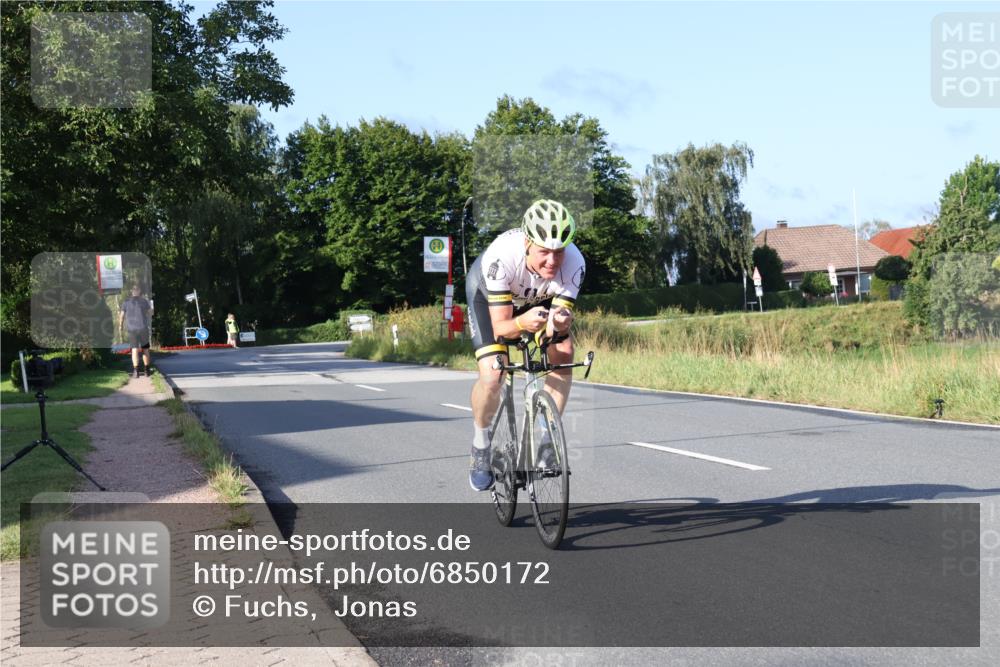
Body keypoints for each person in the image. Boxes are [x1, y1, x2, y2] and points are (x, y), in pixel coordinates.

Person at [464, 199, 585, 491]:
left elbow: (559, 319)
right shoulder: (502, 258)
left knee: (564, 352)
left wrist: (557, 324)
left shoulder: (575, 263)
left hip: (537, 299)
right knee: (494, 373)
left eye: (559, 252)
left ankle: (545, 439)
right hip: (489, 296)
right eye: (544, 252)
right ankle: (480, 448)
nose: (552, 261)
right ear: (528, 242)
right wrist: (522, 324)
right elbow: (502, 327)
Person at [119, 283, 154, 378]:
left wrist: (120, 327)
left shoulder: (126, 302)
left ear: (132, 291)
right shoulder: (144, 301)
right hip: (143, 329)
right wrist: (151, 307)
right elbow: (150, 314)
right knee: (145, 349)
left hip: (132, 330)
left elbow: (122, 316)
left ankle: (136, 371)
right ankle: (147, 371)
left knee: (134, 350)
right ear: (139, 291)